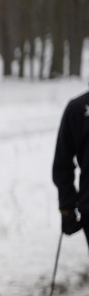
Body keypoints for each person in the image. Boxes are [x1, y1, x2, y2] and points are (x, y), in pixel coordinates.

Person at [51, 83, 89, 252]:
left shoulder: (77, 107)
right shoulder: (78, 109)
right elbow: (63, 163)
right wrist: (66, 207)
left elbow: (62, 164)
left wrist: (67, 207)